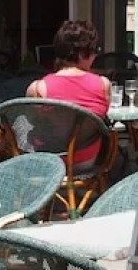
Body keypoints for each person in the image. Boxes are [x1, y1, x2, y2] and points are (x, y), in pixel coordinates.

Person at [26, 19, 111, 171]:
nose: (95, 56)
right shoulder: (103, 85)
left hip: (49, 161)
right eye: (94, 50)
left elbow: (31, 122)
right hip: (87, 160)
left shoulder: (38, 88)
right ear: (84, 53)